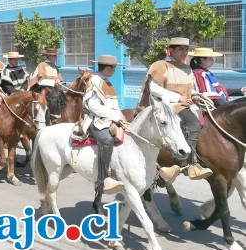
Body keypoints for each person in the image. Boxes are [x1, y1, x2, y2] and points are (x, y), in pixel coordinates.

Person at [138, 37, 213, 182]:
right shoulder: (160, 65)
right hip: (165, 105)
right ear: (170, 50)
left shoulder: (187, 69)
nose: (184, 52)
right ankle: (188, 163)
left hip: (184, 103)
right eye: (180, 49)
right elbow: (154, 89)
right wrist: (179, 98)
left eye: (186, 49)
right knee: (194, 123)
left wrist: (196, 96)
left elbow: (190, 90)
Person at [83, 55, 128, 201]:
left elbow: (114, 105)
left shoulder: (107, 82)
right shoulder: (95, 81)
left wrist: (121, 116)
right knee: (107, 139)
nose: (115, 70)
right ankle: (103, 180)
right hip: (95, 119)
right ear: (108, 68)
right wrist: (115, 117)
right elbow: (93, 106)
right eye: (114, 68)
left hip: (109, 118)